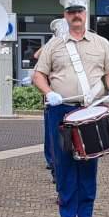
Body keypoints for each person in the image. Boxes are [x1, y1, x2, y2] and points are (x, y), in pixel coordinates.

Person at [33, 0, 109, 217]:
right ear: (65, 15)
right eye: (71, 12)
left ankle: (85, 214)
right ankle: (67, 214)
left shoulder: (101, 43)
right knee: (63, 164)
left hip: (89, 109)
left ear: (85, 14)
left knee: (88, 163)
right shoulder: (54, 45)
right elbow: (38, 75)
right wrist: (48, 92)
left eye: (79, 12)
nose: (76, 16)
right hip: (61, 110)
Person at [39, 18, 68, 174]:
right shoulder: (51, 49)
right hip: (53, 98)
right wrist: (52, 41)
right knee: (52, 133)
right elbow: (37, 55)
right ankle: (52, 161)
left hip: (70, 98)